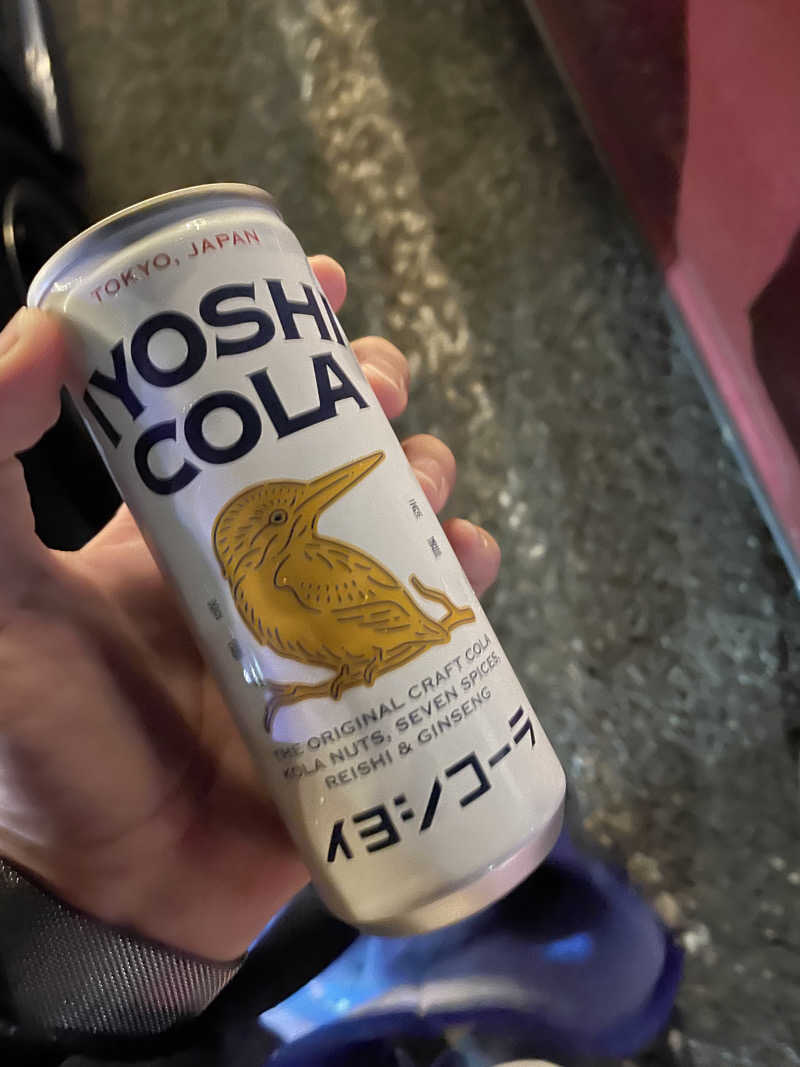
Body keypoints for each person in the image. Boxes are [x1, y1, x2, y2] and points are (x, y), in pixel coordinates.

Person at [0, 255, 501, 1062]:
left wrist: (79, 926)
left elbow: (388, 619)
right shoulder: (268, 588)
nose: (306, 506)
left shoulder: (300, 570)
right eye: (282, 517)